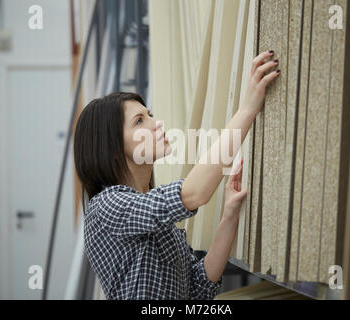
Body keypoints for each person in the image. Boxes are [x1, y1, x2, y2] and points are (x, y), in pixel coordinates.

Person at [73, 50, 280, 299]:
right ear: (113, 148)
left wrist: (229, 217)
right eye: (139, 121)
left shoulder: (153, 216)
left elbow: (197, 287)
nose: (156, 122)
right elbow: (193, 193)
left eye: (149, 114)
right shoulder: (107, 206)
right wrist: (248, 109)